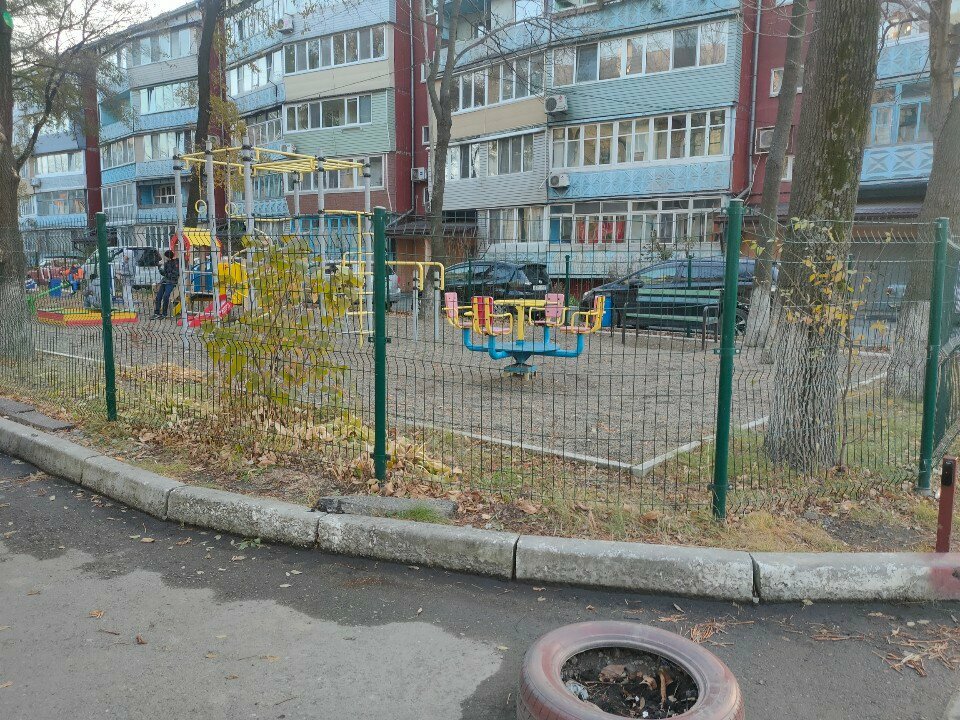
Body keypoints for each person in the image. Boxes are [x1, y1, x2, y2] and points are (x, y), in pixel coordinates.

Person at [153, 250, 179, 319]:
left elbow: (175, 274)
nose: (164, 258)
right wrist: (159, 268)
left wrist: (167, 273)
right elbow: (164, 273)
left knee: (166, 296)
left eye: (165, 257)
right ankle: (157, 313)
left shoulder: (176, 263)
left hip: (171, 282)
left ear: (168, 257)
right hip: (165, 281)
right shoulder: (167, 263)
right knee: (158, 296)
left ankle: (164, 314)